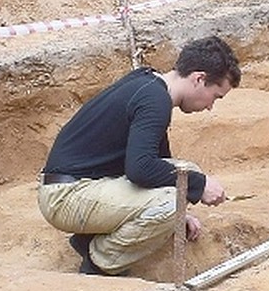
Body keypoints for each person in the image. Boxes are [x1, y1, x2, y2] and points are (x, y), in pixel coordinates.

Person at [37, 35, 241, 276]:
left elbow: (158, 159)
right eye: (215, 96)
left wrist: (182, 211)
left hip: (82, 185)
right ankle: (100, 262)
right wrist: (199, 186)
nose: (210, 107)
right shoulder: (155, 101)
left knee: (186, 175)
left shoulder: (150, 85)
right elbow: (140, 168)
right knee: (173, 198)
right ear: (199, 78)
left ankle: (89, 237)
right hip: (66, 197)